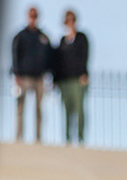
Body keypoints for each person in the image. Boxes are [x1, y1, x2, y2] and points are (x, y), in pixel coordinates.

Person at [10, 7, 54, 143]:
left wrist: (49, 72)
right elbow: (15, 55)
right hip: (23, 77)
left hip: (39, 78)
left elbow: (50, 56)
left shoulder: (44, 37)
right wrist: (16, 74)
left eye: (35, 16)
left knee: (39, 108)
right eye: (31, 16)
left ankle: (38, 138)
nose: (33, 18)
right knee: (20, 108)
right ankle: (19, 138)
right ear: (27, 17)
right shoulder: (20, 36)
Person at [53, 9, 89, 146]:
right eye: (67, 20)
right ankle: (67, 139)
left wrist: (83, 74)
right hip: (64, 81)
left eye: (72, 20)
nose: (70, 23)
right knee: (67, 110)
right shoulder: (63, 41)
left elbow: (85, 56)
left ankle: (80, 137)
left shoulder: (81, 38)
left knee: (79, 109)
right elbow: (58, 61)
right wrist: (56, 80)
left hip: (78, 80)